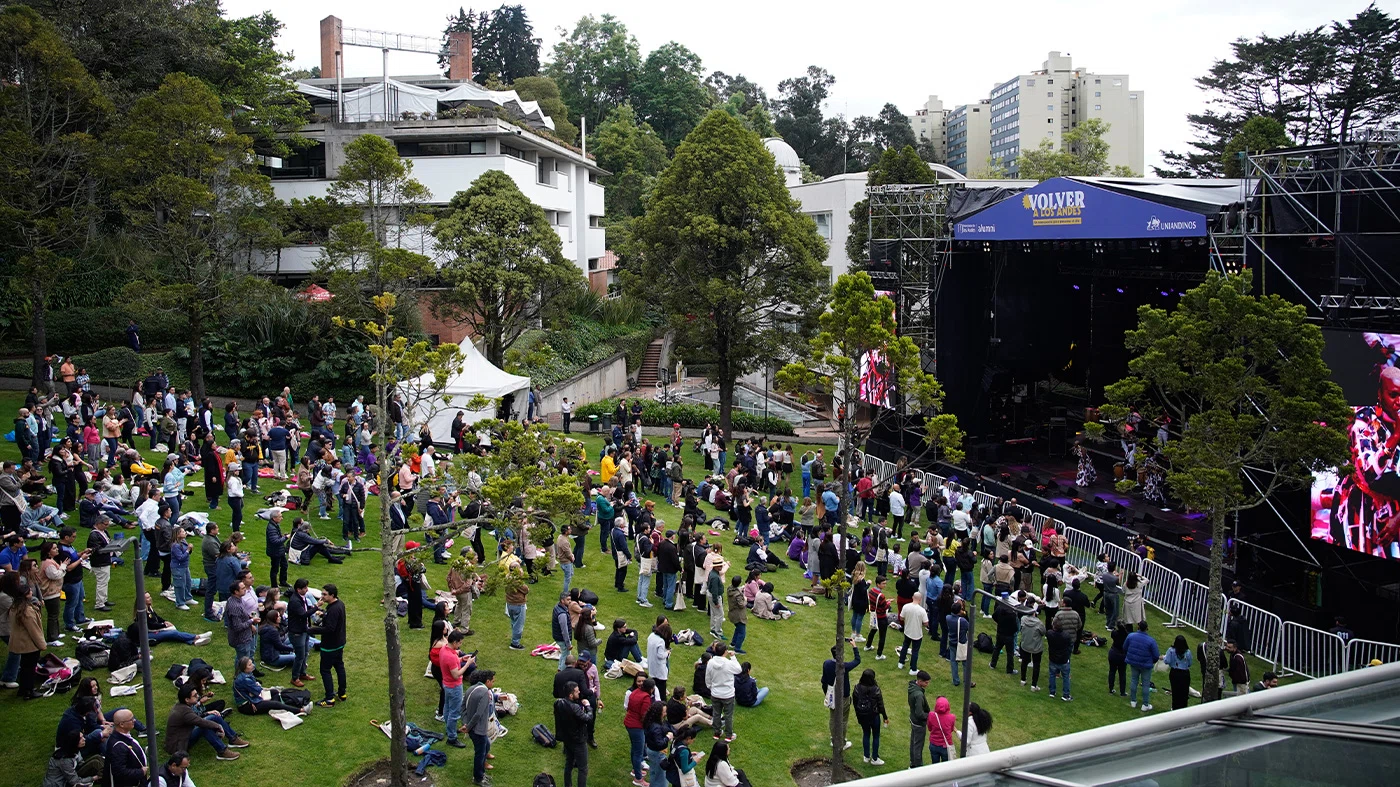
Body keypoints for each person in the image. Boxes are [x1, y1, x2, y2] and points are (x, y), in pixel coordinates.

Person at [165, 682, 245, 761]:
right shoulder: (184, 711)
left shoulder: (182, 706)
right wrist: (218, 726)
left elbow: (194, 718)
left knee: (214, 716)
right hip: (178, 746)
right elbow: (200, 722)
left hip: (185, 735)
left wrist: (207, 713)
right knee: (203, 727)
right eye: (195, 696)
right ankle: (223, 751)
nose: (198, 697)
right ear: (187, 699)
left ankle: (233, 739)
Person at [310, 583, 346, 706]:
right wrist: (324, 615)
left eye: (325, 594)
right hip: (339, 642)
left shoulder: (333, 609)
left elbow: (329, 629)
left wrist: (312, 629)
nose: (322, 596)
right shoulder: (339, 604)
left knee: (325, 670)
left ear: (332, 595)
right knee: (339, 666)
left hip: (330, 645)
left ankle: (329, 698)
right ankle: (342, 693)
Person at [233, 656, 306, 715]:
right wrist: (257, 686)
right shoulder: (245, 679)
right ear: (244, 668)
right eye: (250, 665)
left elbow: (256, 689)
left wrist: (257, 686)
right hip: (248, 706)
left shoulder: (246, 674)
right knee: (275, 703)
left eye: (252, 663)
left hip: (253, 698)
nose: (253, 665)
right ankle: (300, 710)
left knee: (274, 692)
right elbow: (258, 690)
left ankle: (275, 708)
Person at [822, 641, 861, 751]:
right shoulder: (843, 666)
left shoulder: (827, 664)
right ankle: (841, 742)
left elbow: (823, 681)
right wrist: (854, 647)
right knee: (843, 719)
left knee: (833, 717)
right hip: (843, 697)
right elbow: (857, 660)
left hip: (831, 695)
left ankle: (833, 738)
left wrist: (826, 693)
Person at [554, 680, 594, 787]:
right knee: (583, 768)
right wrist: (588, 706)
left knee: (569, 763)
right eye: (577, 691)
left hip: (567, 738)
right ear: (571, 695)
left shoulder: (558, 703)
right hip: (578, 740)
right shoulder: (574, 707)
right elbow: (588, 718)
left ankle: (568, 785)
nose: (579, 692)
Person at [463, 669, 495, 786]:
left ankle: (480, 771)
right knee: (480, 753)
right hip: (478, 730)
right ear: (487, 681)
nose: (493, 684)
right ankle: (478, 778)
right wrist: (469, 727)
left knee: (486, 745)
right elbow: (478, 714)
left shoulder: (470, 689)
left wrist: (465, 723)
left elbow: (463, 708)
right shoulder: (485, 693)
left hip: (472, 728)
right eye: (492, 681)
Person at [706, 642, 742, 743]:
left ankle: (717, 733)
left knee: (716, 713)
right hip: (727, 694)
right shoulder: (728, 663)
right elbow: (739, 670)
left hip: (715, 693)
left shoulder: (711, 662)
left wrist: (710, 688)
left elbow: (707, 677)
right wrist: (733, 657)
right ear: (725, 652)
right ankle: (729, 735)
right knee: (728, 715)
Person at [852, 668, 889, 766]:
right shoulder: (875, 689)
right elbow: (881, 705)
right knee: (876, 736)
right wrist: (885, 716)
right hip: (874, 716)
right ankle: (875, 758)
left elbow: (855, 704)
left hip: (862, 716)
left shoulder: (857, 688)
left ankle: (866, 756)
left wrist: (858, 715)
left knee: (866, 734)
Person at [104, 710, 149, 786]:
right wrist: (140, 772)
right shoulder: (118, 747)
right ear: (121, 724)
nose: (134, 720)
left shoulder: (123, 736)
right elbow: (119, 772)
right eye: (131, 719)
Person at [1124, 620, 1160, 710]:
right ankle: (1145, 704)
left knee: (1134, 680)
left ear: (1138, 627)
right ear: (1147, 628)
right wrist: (1151, 661)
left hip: (1134, 662)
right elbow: (1156, 655)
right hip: (1146, 665)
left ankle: (1133, 701)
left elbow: (1125, 647)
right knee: (1145, 684)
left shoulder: (1131, 636)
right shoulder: (1151, 641)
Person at [896, 591, 928, 674]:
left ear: (913, 597)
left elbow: (901, 618)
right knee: (915, 651)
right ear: (920, 600)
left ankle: (901, 663)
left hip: (907, 631)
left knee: (905, 646)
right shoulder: (922, 610)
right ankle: (913, 669)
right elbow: (926, 623)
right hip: (917, 633)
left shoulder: (906, 607)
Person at [947, 599, 973, 688]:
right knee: (966, 663)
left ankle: (956, 680)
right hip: (961, 643)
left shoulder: (948, 618)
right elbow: (970, 628)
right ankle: (967, 681)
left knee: (953, 662)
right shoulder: (963, 621)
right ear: (959, 611)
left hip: (952, 642)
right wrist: (965, 613)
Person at [1165, 634, 1194, 710]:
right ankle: (1183, 707)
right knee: (1184, 692)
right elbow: (1190, 663)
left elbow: (1167, 661)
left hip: (1175, 673)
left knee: (1175, 691)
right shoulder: (1188, 652)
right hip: (1185, 674)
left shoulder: (1171, 651)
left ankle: (1175, 707)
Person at [926, 696, 957, 764]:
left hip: (933, 744)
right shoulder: (952, 717)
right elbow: (951, 729)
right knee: (945, 766)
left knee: (935, 764)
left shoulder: (931, 715)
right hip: (946, 745)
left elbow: (929, 728)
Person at [647, 618, 672, 698]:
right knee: (661, 690)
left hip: (651, 663)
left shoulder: (651, 636)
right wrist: (667, 653)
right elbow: (660, 655)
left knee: (654, 685)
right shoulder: (661, 641)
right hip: (659, 668)